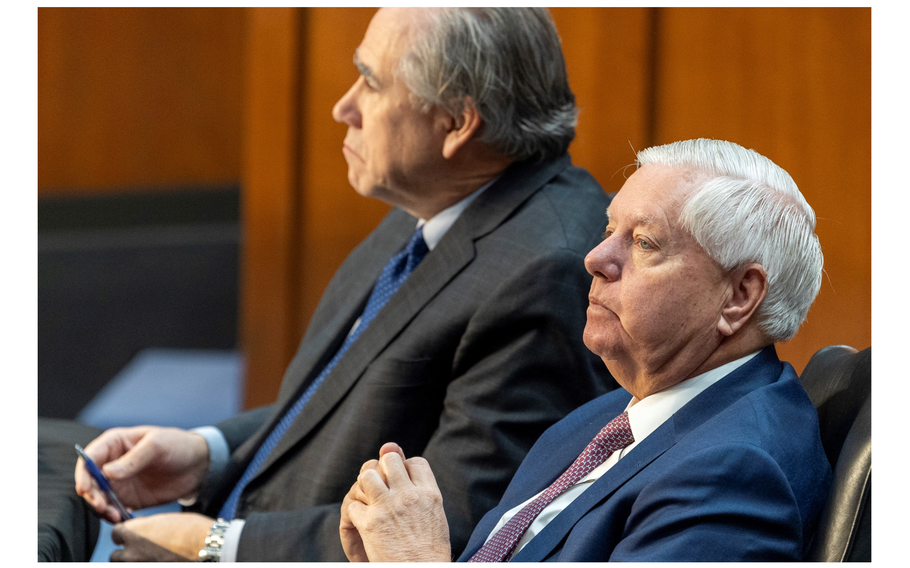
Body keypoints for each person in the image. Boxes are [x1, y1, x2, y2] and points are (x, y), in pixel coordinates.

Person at [74, 7, 616, 562]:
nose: (344, 107)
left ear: (457, 124)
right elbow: (348, 397)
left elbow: (449, 526)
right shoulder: (438, 197)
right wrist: (208, 453)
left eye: (372, 82)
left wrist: (220, 547)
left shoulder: (542, 273)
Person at [339, 138, 833, 562]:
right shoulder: (602, 417)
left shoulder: (735, 473)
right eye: (607, 231)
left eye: (643, 242)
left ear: (739, 296)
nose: (595, 259)